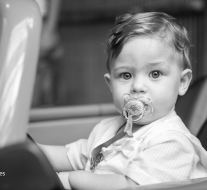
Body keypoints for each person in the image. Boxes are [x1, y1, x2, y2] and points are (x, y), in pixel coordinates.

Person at [38, 12, 207, 189]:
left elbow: (130, 186)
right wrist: (31, 149)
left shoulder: (172, 141)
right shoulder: (107, 129)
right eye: (126, 75)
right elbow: (70, 156)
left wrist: (71, 179)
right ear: (111, 84)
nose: (138, 86)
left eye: (155, 74)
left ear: (182, 82)